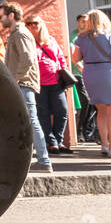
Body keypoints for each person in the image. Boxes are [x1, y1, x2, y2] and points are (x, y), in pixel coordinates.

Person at [0, 2, 52, 172]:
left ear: (11, 16)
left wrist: (13, 79)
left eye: (2, 17)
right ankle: (24, 159)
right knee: (22, 122)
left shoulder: (20, 33)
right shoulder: (17, 33)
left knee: (31, 121)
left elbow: (27, 59)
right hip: (21, 83)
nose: (0, 20)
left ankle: (44, 161)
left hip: (23, 84)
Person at [72, 8, 111, 158]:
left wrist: (87, 62)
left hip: (90, 73)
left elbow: (75, 58)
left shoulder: (81, 38)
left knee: (101, 110)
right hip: (108, 72)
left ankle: (104, 145)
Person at [26, 15, 71, 156]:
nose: (33, 25)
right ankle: (52, 142)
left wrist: (63, 73)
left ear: (41, 24)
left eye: (36, 23)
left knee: (62, 111)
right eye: (29, 23)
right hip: (38, 83)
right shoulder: (27, 41)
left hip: (55, 82)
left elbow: (60, 58)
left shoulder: (50, 40)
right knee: (43, 113)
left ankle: (58, 140)